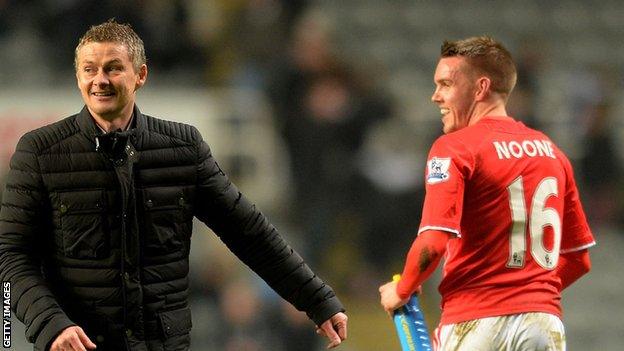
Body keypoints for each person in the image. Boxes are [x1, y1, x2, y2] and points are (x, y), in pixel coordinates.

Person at [0, 20, 347, 351]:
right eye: (89, 69)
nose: (100, 80)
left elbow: (248, 232)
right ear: (78, 76)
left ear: (141, 75)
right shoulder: (40, 152)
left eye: (113, 68)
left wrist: (316, 299)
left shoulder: (183, 148)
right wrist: (50, 324)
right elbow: (10, 255)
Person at [379, 36, 595, 350]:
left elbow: (432, 243)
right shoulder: (552, 153)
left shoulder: (455, 148)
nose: (435, 96)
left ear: (480, 88)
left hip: (475, 322)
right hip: (543, 326)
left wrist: (403, 289)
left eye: (446, 84)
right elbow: (578, 258)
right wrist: (526, 295)